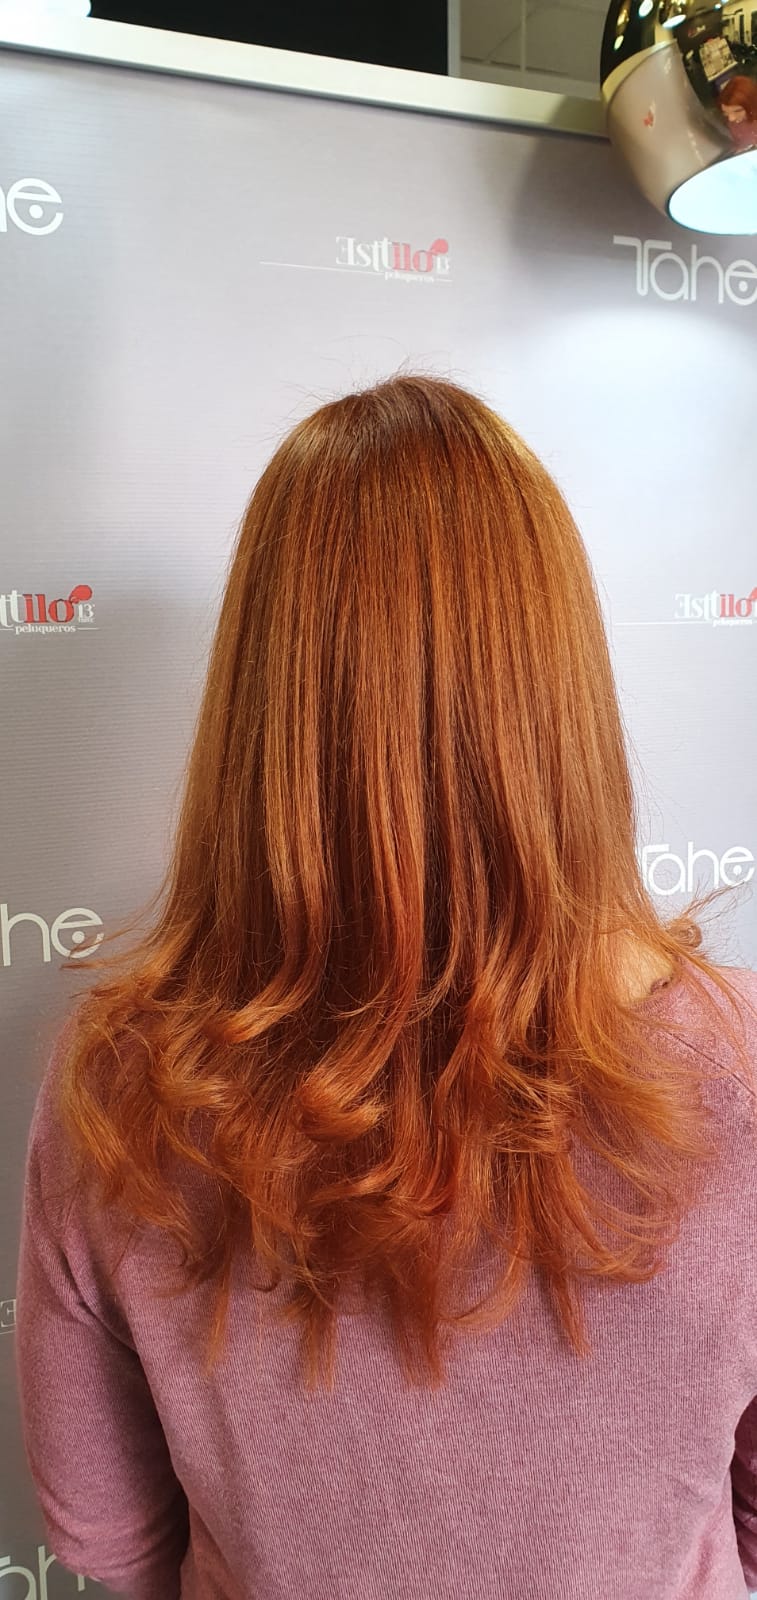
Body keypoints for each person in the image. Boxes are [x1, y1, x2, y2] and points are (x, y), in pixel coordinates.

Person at [15, 375, 757, 1600]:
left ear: (261, 700)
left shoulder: (117, 1077)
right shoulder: (738, 1063)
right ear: (557, 693)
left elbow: (103, 1534)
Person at [718, 74, 757, 150]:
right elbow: (740, 144)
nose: (731, 119)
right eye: (726, 112)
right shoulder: (734, 124)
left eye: (738, 111)